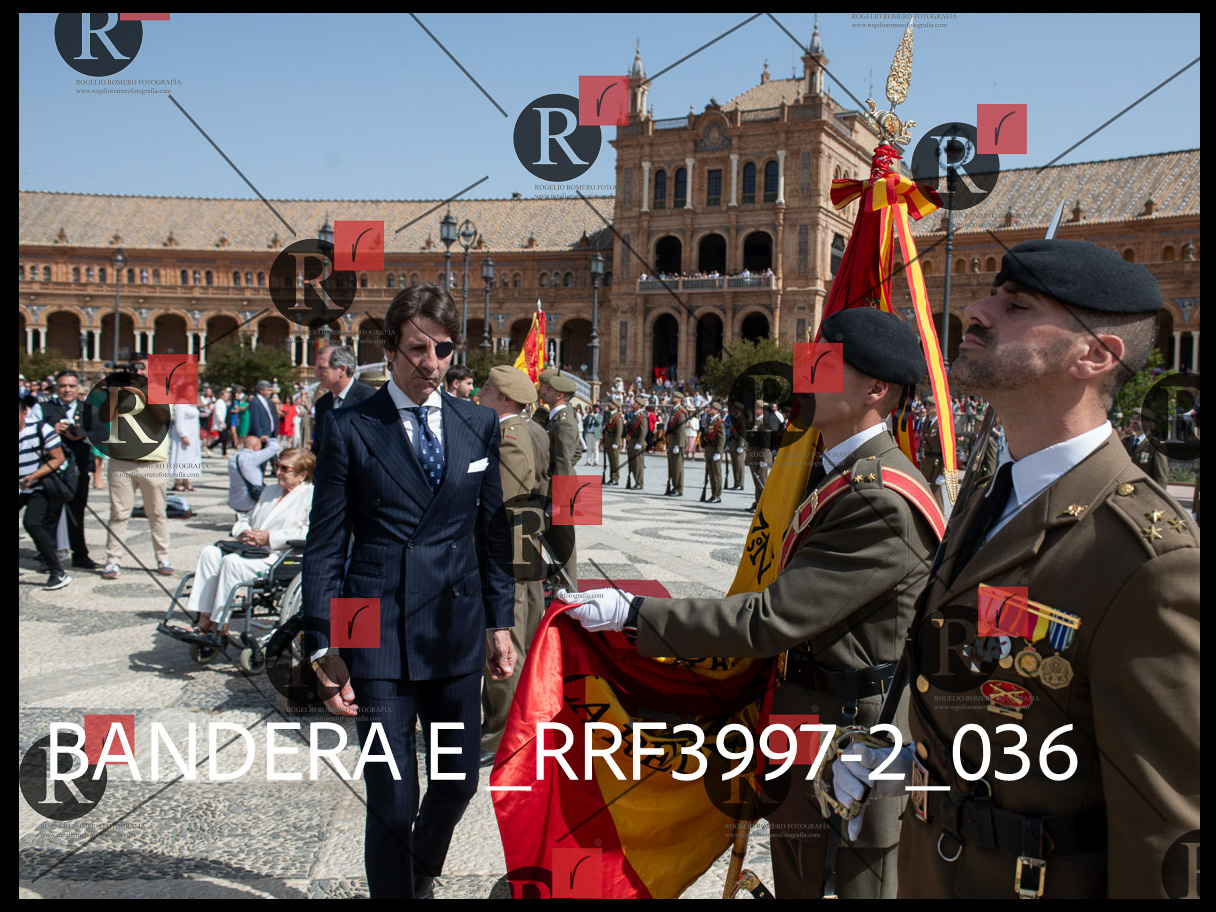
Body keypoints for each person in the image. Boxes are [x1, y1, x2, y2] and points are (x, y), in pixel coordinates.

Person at [835, 239, 1200, 899]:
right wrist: (912, 756)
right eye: (991, 295)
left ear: (1095, 355)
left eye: (1017, 305)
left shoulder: (1148, 560)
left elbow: (1168, 838)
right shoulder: (990, 491)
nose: (975, 310)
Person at [561, 307, 943, 898]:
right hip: (807, 721)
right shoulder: (836, 473)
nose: (804, 372)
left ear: (875, 390)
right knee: (797, 872)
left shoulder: (879, 499)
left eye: (825, 363)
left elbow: (772, 618)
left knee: (840, 883)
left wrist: (635, 613)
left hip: (850, 742)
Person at [302, 283, 515, 900]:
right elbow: (326, 547)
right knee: (393, 799)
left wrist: (499, 622)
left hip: (453, 632)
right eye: (418, 348)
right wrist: (326, 648)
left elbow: (491, 533)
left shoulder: (478, 423)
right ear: (390, 348)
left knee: (457, 783)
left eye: (442, 349)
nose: (432, 362)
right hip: (378, 638)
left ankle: (418, 870)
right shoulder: (349, 426)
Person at [475, 365, 549, 766]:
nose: (479, 393)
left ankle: (501, 737)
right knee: (518, 641)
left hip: (512, 555)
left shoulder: (510, 437)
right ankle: (516, 728)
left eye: (487, 389)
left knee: (506, 646)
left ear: (505, 398)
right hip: (525, 549)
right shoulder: (530, 429)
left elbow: (504, 509)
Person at [188, 447, 314, 637]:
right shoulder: (270, 491)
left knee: (231, 562)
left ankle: (218, 623)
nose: (278, 472)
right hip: (251, 549)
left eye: (285, 469)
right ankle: (204, 617)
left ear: (302, 475)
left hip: (279, 556)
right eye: (277, 466)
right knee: (209, 553)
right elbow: (247, 518)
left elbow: (308, 531)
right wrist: (242, 531)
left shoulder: (310, 495)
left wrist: (270, 537)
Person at [99, 359, 173, 580]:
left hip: (153, 463)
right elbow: (104, 417)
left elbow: (162, 417)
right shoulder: (121, 391)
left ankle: (163, 557)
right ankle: (113, 560)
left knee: (157, 513)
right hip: (122, 462)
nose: (138, 372)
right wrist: (115, 392)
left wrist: (141, 391)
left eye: (142, 368)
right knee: (119, 513)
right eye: (135, 369)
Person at [33, 370, 96, 569]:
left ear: (78, 388)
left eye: (71, 386)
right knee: (50, 513)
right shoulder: (42, 407)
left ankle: (80, 554)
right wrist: (51, 430)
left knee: (76, 512)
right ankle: (47, 556)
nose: (67, 390)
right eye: (62, 386)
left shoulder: (88, 409)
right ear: (55, 388)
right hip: (51, 469)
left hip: (79, 467)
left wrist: (81, 433)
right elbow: (30, 432)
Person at [20, 395, 72, 590]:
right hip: (21, 486)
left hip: (40, 486)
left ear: (25, 413)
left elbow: (58, 458)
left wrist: (33, 476)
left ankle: (57, 572)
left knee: (32, 523)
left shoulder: (40, 429)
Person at [537, 369, 582, 588]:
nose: (542, 391)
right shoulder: (556, 417)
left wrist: (559, 498)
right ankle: (558, 583)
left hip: (560, 491)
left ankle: (567, 588)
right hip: (556, 486)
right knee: (554, 541)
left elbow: (564, 461)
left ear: (558, 395)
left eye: (548, 389)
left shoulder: (564, 422)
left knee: (563, 544)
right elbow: (576, 452)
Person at [312, 346, 377, 454]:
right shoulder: (321, 403)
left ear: (342, 369)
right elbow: (319, 447)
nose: (316, 373)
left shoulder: (369, 398)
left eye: (322, 368)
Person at [228, 435, 281, 515]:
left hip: (235, 499)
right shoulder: (253, 457)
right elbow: (275, 448)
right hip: (249, 500)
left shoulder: (233, 458)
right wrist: (269, 440)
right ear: (255, 446)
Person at [1123, 407, 1170, 486]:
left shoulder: (1155, 446)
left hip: (1143, 490)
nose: (1134, 422)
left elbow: (1160, 477)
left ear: (1151, 424)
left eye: (1139, 419)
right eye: (1133, 418)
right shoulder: (1125, 441)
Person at [170, 400, 201, 492]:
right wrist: (183, 435)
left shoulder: (191, 405)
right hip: (182, 436)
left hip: (193, 435)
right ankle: (177, 483)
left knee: (189, 459)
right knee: (180, 458)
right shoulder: (180, 405)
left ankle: (186, 482)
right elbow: (179, 421)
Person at [701, 399, 727, 502]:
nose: (710, 409)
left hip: (715, 449)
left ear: (716, 410)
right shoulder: (709, 421)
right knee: (711, 474)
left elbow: (722, 439)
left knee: (717, 473)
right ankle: (713, 494)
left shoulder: (719, 422)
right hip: (709, 449)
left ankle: (717, 495)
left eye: (712, 408)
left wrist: (719, 452)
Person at [664, 392, 690, 496]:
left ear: (679, 399)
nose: (672, 398)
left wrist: (678, 445)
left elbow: (681, 430)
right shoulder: (674, 410)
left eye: (674, 397)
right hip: (672, 441)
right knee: (672, 466)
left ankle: (678, 488)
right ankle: (674, 486)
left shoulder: (681, 412)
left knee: (678, 467)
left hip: (678, 442)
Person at [625, 397, 648, 489]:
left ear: (639, 405)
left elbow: (643, 431)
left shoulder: (642, 416)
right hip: (632, 440)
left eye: (635, 402)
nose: (633, 403)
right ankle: (636, 481)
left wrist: (639, 442)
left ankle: (639, 483)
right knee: (633, 463)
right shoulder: (635, 415)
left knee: (638, 463)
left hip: (637, 441)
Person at [602, 399, 624, 485]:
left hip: (614, 440)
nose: (610, 405)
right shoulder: (610, 415)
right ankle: (611, 477)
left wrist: (616, 442)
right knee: (610, 460)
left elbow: (619, 431)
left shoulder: (618, 416)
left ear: (615, 406)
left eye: (612, 404)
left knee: (615, 461)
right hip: (609, 440)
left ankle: (615, 478)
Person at [728, 401, 748, 490]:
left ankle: (740, 484)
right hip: (733, 444)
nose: (733, 410)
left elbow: (743, 433)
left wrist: (741, 445)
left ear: (739, 410)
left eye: (735, 409)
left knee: (739, 465)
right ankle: (736, 483)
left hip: (739, 444)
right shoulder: (734, 418)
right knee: (734, 464)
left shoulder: (741, 419)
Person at [208, 389, 230, 456]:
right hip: (220, 423)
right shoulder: (219, 402)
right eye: (226, 396)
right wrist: (221, 422)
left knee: (224, 438)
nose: (227, 397)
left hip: (222, 422)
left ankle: (224, 453)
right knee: (223, 438)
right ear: (222, 395)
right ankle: (209, 447)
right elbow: (218, 413)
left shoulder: (222, 402)